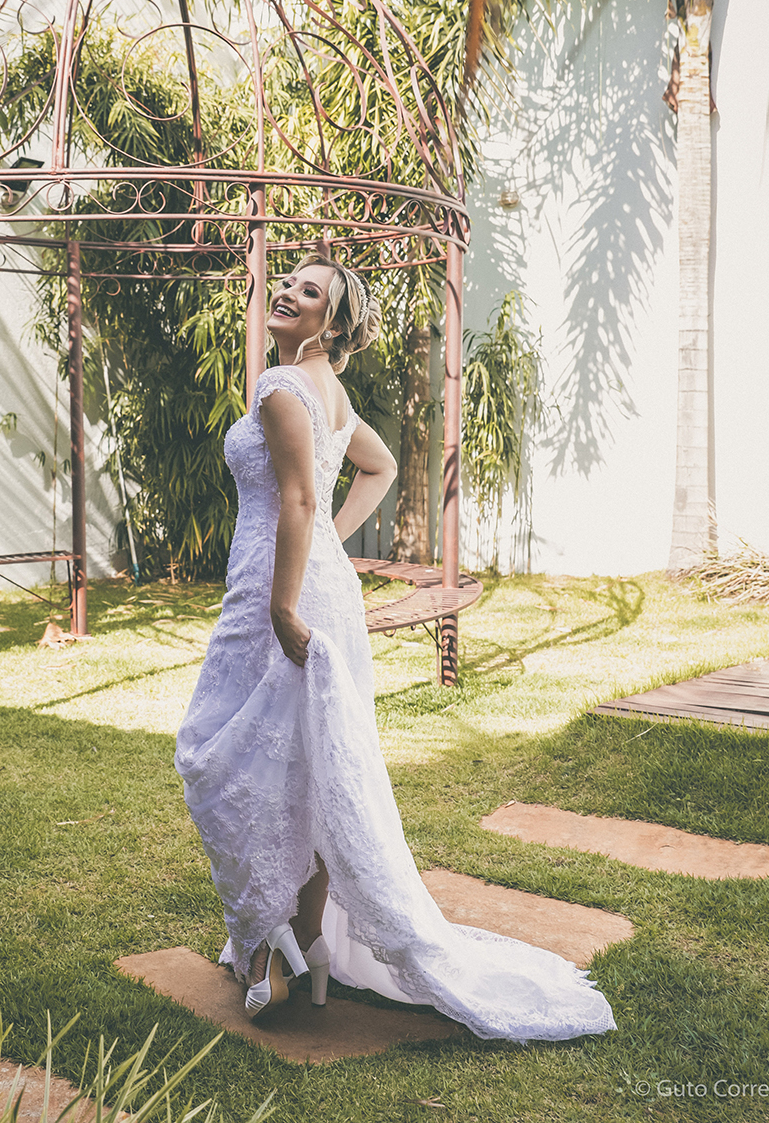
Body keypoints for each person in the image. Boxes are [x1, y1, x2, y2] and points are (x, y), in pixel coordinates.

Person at [174, 254, 617, 1042]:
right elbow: (372, 469)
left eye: (309, 291)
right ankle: (303, 948)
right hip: (310, 581)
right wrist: (327, 544)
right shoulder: (328, 391)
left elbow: (302, 497)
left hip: (280, 593)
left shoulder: (281, 387)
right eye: (290, 282)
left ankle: (270, 952)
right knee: (304, 767)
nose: (288, 292)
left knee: (228, 760)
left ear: (331, 323)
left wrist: (284, 600)